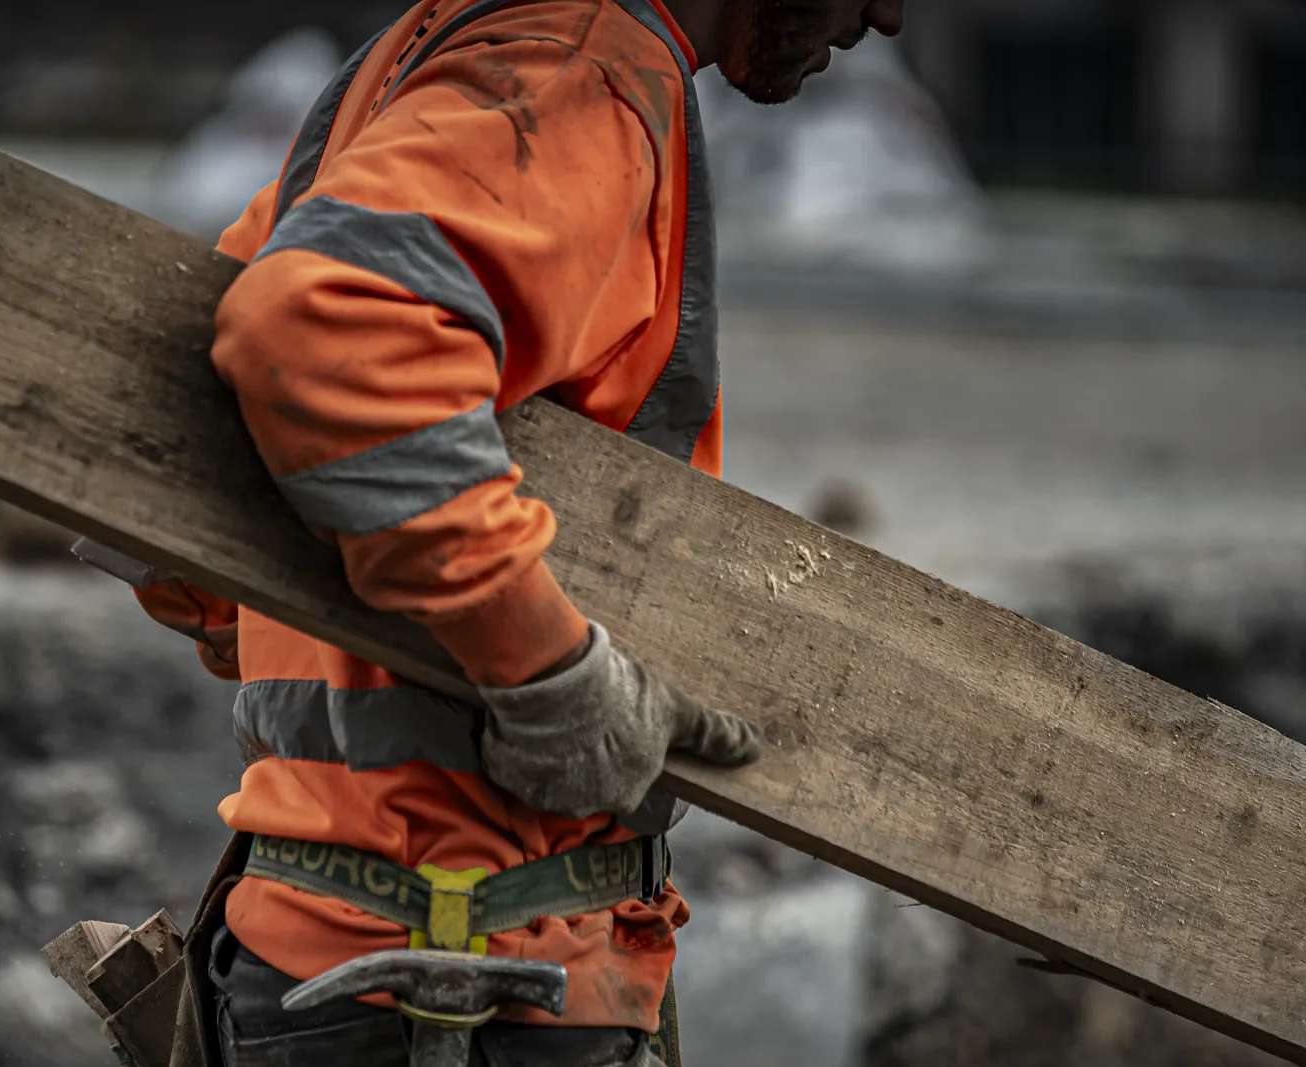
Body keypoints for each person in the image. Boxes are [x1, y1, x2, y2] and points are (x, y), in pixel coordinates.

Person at [133, 0, 904, 1064]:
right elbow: (319, 322)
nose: (888, 18)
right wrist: (547, 671)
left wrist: (286, 607)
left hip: (340, 951)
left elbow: (174, 440)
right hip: (454, 982)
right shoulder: (576, 73)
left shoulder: (442, 48)